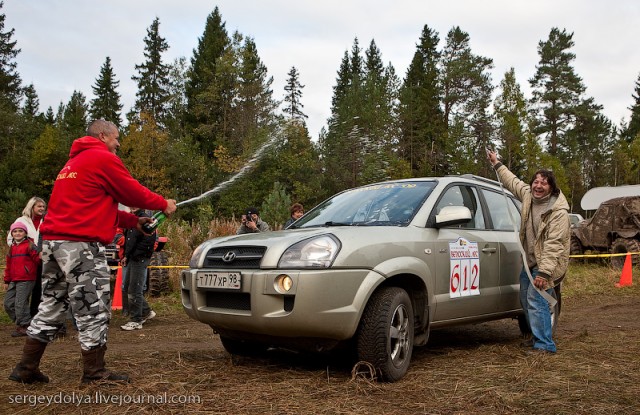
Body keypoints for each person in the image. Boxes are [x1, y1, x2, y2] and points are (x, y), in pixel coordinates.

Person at [8, 119, 177, 385]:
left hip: (53, 244)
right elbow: (131, 191)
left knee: (51, 304)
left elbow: (93, 208)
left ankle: (26, 367)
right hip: (80, 247)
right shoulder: (102, 158)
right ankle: (95, 372)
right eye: (116, 138)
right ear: (102, 136)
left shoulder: (72, 165)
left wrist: (134, 222)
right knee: (93, 307)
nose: (118, 143)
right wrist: (162, 203)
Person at [487, 149, 570, 354]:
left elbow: (554, 244)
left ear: (551, 188)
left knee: (537, 299)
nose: (538, 186)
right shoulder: (527, 196)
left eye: (543, 183)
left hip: (547, 265)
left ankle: (545, 345)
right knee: (526, 298)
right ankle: (537, 336)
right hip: (530, 261)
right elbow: (512, 181)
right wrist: (496, 163)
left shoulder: (558, 213)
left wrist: (544, 273)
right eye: (536, 182)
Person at [6, 196, 46, 317]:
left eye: (44, 206)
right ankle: (23, 318)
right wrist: (26, 246)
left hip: (41, 259)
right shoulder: (22, 220)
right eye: (39, 206)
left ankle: (35, 314)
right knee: (23, 293)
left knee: (39, 289)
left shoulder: (46, 220)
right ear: (32, 206)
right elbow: (11, 239)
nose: (42, 209)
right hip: (24, 260)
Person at [120, 207, 157, 331]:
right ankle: (146, 311)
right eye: (131, 204)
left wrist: (135, 255)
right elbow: (129, 241)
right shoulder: (132, 219)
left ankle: (137, 320)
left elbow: (149, 241)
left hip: (140, 258)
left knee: (134, 289)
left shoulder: (146, 220)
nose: (133, 206)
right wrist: (126, 255)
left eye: (135, 204)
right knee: (127, 287)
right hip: (132, 258)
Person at [4, 222, 40, 337]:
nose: (17, 233)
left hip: (26, 279)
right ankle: (25, 322)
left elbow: (39, 261)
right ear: (11, 234)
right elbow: (8, 266)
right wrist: (6, 280)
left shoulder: (30, 245)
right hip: (14, 279)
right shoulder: (12, 247)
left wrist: (42, 255)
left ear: (25, 233)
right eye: (15, 231)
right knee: (8, 303)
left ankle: (24, 326)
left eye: (20, 231)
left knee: (20, 303)